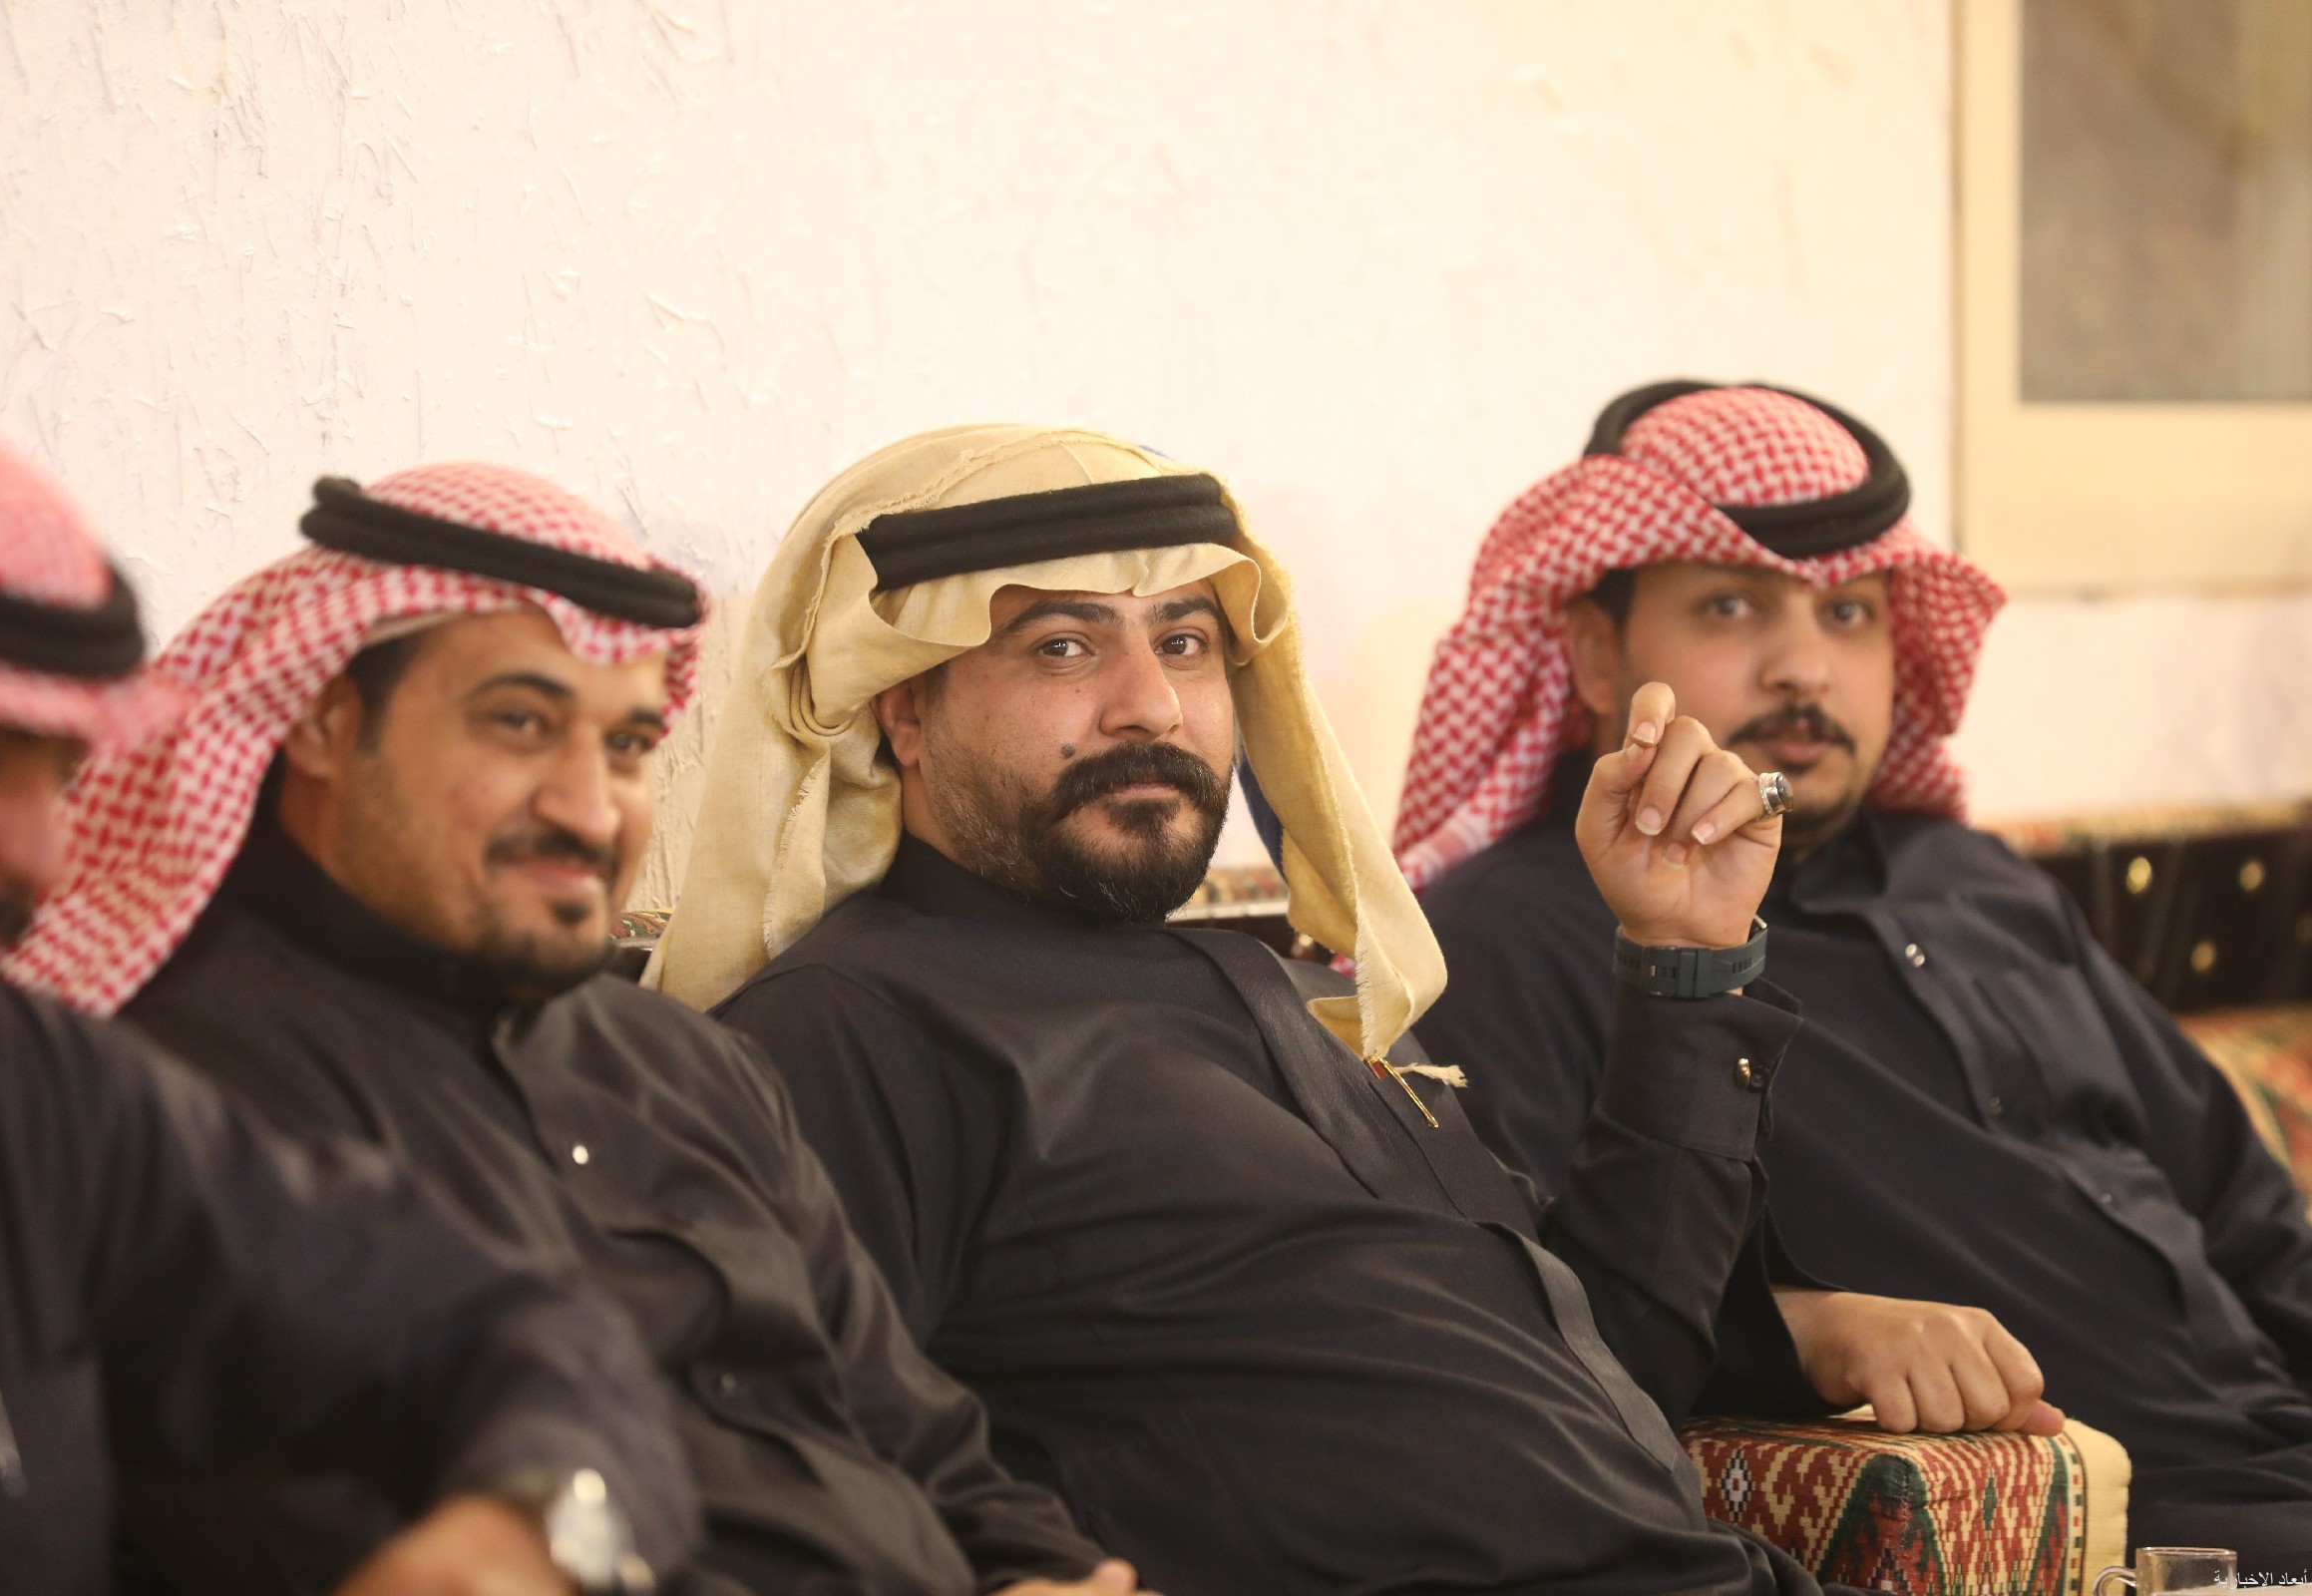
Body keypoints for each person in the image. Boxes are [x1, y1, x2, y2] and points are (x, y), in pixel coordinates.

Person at [649, 422, 1879, 1596]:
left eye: (1186, 642)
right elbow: (777, 1453)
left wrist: (1684, 958)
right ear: (904, 709)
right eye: (1064, 647)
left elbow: (1620, 1371)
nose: (1152, 704)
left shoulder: (1307, 998)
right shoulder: (850, 1028)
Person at [13, 463, 1128, 1596]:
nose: (589, 808)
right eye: (521, 724)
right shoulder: (170, 1095)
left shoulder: (687, 1065)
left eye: (627, 745)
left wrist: (1045, 1575)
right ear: (323, 722)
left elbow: (934, 1453)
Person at [1403, 379, 2312, 1577]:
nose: (1805, 669)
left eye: (1848, 613)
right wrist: (1804, 1328)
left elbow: (2247, 1215)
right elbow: (1542, 1335)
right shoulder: (1515, 935)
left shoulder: (1977, 881)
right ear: (1595, 652)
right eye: (1730, 606)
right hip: (2150, 1534)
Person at [0, 404, 697, 1595]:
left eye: (61, 774)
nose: (38, 856)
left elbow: (509, 1327)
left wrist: (533, 1531)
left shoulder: (31, 1090)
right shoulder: (204, 1044)